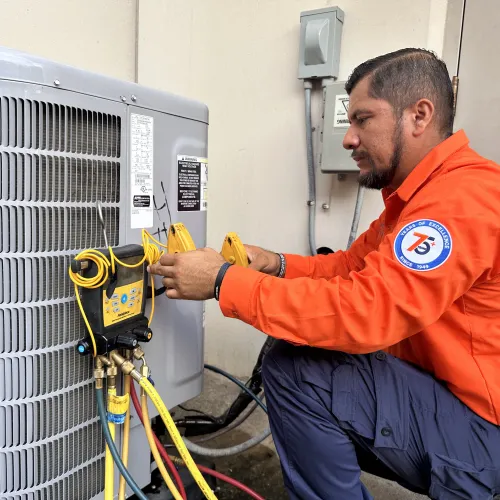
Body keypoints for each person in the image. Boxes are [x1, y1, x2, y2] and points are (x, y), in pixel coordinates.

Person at [148, 48, 500, 499]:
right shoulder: (417, 199)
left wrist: (222, 282)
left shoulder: (461, 199)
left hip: (480, 434)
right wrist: (275, 264)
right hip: (450, 405)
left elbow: (368, 311)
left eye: (363, 119)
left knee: (300, 372)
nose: (348, 139)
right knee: (296, 351)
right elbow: (350, 268)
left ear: (419, 115)